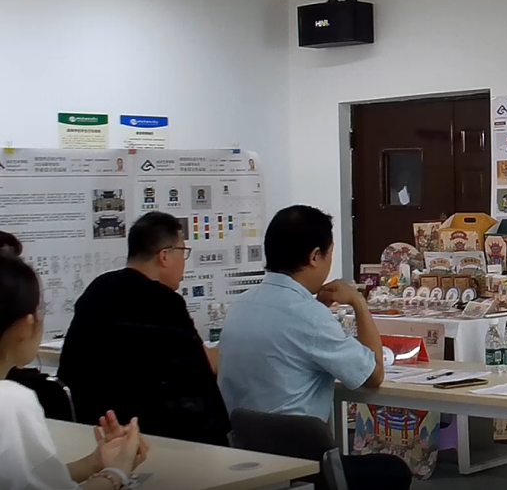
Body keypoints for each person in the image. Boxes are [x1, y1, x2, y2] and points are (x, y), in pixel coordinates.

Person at [216, 205, 412, 490]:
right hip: (301, 463)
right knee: (394, 470)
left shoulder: (240, 306)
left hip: (248, 457)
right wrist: (358, 302)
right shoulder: (308, 314)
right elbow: (373, 375)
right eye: (329, 254)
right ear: (315, 256)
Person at [58, 212, 231, 447]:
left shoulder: (98, 289)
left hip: (92, 429)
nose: (184, 262)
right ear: (164, 255)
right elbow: (198, 370)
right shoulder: (163, 302)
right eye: (182, 251)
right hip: (153, 436)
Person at [1, 254, 150, 490]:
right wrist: (118, 471)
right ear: (24, 325)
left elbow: (21, 478)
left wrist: (94, 463)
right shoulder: (11, 402)